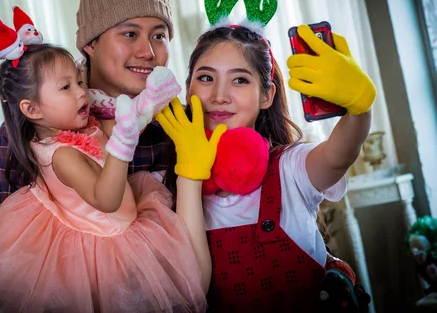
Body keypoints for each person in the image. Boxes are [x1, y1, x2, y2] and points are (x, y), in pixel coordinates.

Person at [0, 10, 207, 311]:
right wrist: (123, 141)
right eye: (66, 87)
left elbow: (112, 127)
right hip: (100, 248)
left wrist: (144, 108)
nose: (82, 93)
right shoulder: (62, 155)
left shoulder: (85, 126)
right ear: (32, 109)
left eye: (79, 82)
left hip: (127, 226)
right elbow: (105, 198)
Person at [157, 23, 376, 311]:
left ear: (266, 96)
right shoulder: (166, 184)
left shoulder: (291, 167)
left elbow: (338, 156)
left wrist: (360, 110)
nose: (219, 95)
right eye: (206, 77)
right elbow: (192, 288)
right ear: (188, 91)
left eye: (240, 80)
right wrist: (189, 173)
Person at [0, 0, 174, 220]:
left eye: (159, 36)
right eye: (130, 34)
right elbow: (3, 250)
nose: (148, 52)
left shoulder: (177, 123)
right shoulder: (30, 130)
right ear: (90, 45)